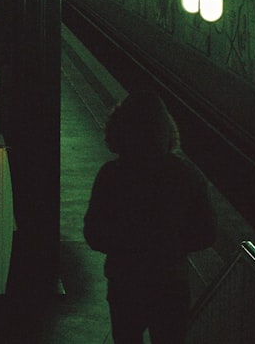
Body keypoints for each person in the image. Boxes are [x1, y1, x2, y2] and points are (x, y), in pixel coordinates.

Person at [83, 89, 216, 344]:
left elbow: (94, 234)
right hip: (170, 283)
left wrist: (126, 245)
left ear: (120, 129)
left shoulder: (111, 175)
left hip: (124, 282)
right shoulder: (187, 175)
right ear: (166, 130)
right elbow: (207, 233)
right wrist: (172, 244)